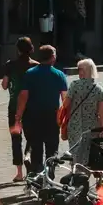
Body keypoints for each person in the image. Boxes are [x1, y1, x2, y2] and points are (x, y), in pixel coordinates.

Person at [11, 45, 67, 178]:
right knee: (52, 149)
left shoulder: (30, 73)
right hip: (51, 117)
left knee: (36, 148)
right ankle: (50, 176)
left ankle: (37, 176)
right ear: (52, 57)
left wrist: (18, 117)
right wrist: (64, 118)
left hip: (32, 117)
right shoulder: (59, 74)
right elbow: (65, 99)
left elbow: (23, 96)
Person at [2, 37, 36, 182]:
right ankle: (28, 155)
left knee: (16, 138)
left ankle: (19, 172)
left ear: (18, 50)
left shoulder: (10, 65)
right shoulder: (36, 66)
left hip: (14, 107)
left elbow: (4, 85)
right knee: (32, 137)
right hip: (32, 106)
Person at [61, 59, 103, 166]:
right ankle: (85, 175)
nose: (79, 72)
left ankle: (75, 174)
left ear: (83, 71)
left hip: (74, 126)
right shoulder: (99, 89)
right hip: (92, 128)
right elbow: (101, 113)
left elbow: (65, 104)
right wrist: (102, 128)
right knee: (88, 153)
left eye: (80, 70)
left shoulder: (74, 85)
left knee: (75, 152)